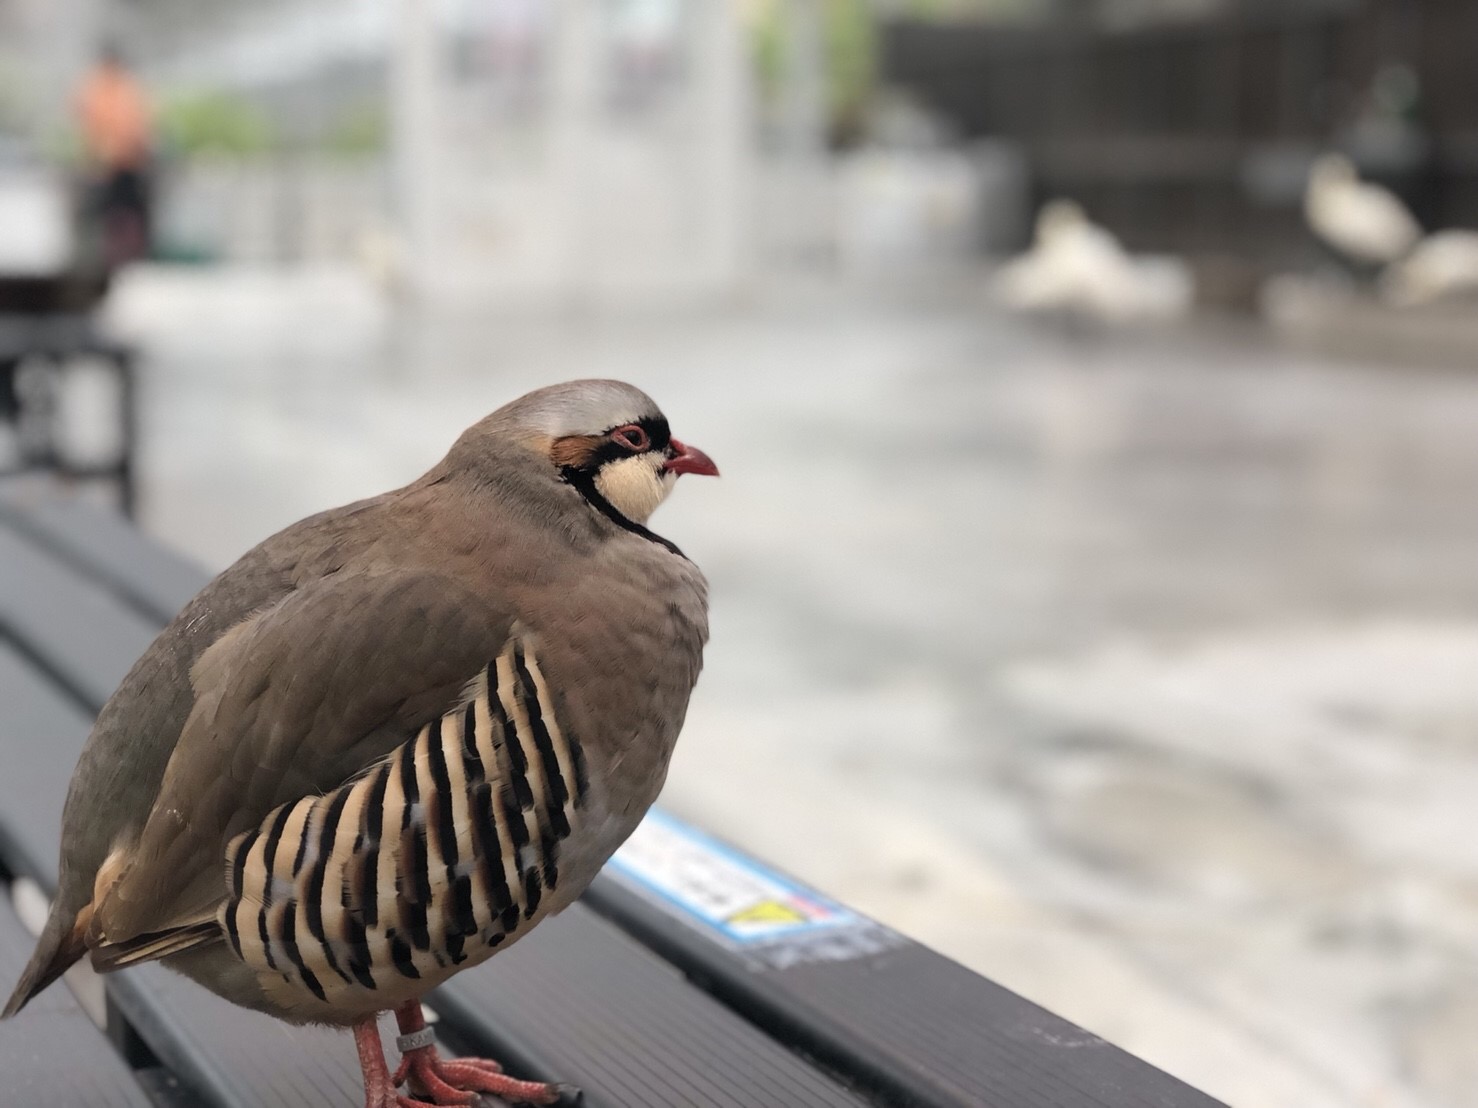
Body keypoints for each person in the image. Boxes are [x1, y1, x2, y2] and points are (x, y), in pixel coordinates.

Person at [75, 43, 153, 268]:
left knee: (125, 212)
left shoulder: (123, 87)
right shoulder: (99, 87)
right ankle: (105, 257)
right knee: (106, 214)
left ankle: (126, 256)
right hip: (106, 162)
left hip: (124, 162)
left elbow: (138, 125)